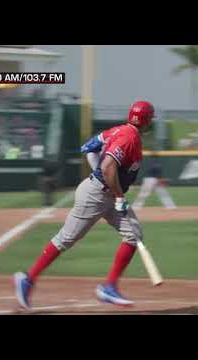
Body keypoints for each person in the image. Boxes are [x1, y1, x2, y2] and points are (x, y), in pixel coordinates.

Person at [13, 100, 154, 309]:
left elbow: (89, 147)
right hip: (96, 195)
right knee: (66, 239)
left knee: (133, 235)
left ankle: (109, 287)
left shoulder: (117, 131)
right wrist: (118, 195)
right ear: (147, 120)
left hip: (107, 193)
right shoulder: (129, 137)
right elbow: (107, 166)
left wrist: (108, 184)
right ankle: (27, 280)